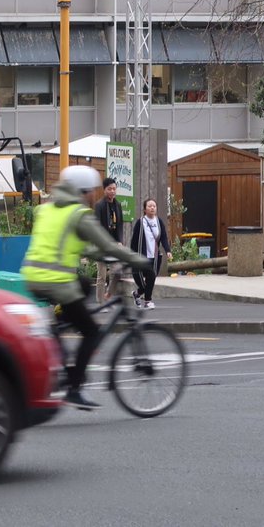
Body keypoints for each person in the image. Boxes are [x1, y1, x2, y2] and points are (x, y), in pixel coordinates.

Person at [22, 165, 153, 411]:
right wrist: (138, 260)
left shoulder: (48, 209)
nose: (95, 194)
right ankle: (74, 388)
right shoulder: (79, 214)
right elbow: (109, 245)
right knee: (91, 331)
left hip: (33, 276)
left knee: (82, 284)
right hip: (56, 282)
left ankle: (60, 323)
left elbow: (76, 246)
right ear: (83, 191)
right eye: (92, 190)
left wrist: (101, 256)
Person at [130, 198, 171, 309]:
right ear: (144, 209)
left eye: (154, 206)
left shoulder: (159, 222)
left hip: (155, 257)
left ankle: (142, 297)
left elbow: (163, 238)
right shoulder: (140, 222)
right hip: (142, 256)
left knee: (151, 279)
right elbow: (134, 240)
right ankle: (143, 297)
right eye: (149, 206)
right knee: (146, 280)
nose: (152, 208)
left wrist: (168, 251)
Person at [93, 178, 124, 302]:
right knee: (102, 275)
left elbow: (120, 225)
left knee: (116, 272)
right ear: (104, 190)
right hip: (102, 245)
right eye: (109, 189)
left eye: (114, 189)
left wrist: (120, 240)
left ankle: (109, 297)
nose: (112, 191)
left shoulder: (118, 205)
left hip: (114, 244)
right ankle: (100, 301)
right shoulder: (99, 205)